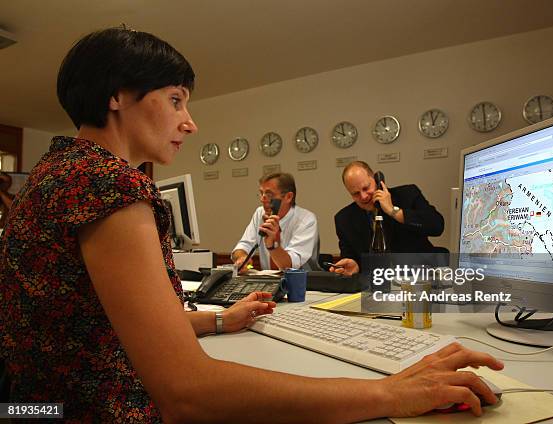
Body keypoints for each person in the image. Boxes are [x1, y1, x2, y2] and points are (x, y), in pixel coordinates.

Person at [0, 28, 503, 422]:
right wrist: (389, 391)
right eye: (176, 99)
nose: (190, 121)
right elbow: (186, 394)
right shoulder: (109, 186)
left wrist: (219, 318)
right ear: (117, 95)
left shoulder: (58, 172)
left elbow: (95, 322)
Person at [331, 161, 444, 276]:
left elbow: (437, 226)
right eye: (356, 193)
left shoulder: (407, 195)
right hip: (378, 284)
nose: (363, 196)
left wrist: (394, 211)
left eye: (366, 188)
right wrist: (355, 265)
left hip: (418, 277)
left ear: (377, 180)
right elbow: (350, 256)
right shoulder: (344, 219)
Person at [232, 172, 319, 271]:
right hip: (268, 281)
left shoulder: (306, 220)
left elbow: (290, 266)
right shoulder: (260, 213)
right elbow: (244, 244)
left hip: (301, 283)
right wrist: (241, 257)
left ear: (288, 197)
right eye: (261, 193)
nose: (262, 199)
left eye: (269, 195)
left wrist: (273, 245)